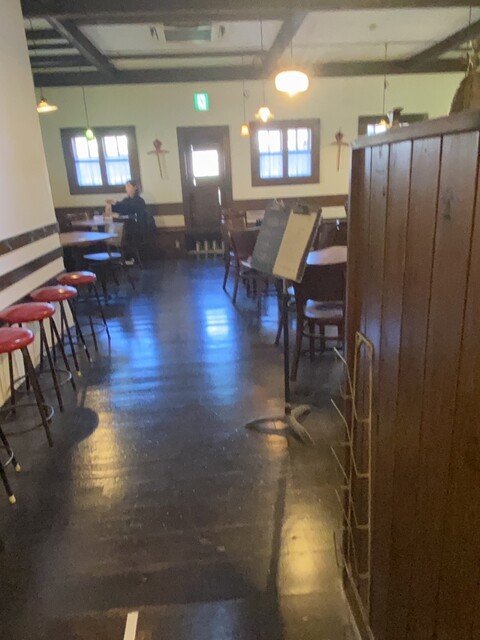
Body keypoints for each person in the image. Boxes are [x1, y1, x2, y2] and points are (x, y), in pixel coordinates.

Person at [105, 180, 154, 264]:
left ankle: (127, 258)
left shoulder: (139, 201)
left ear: (135, 187)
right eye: (126, 186)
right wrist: (110, 205)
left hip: (138, 228)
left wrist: (117, 204)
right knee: (114, 231)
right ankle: (117, 258)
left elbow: (129, 208)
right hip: (127, 226)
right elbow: (119, 208)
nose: (126, 188)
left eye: (128, 186)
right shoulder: (126, 200)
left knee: (123, 234)